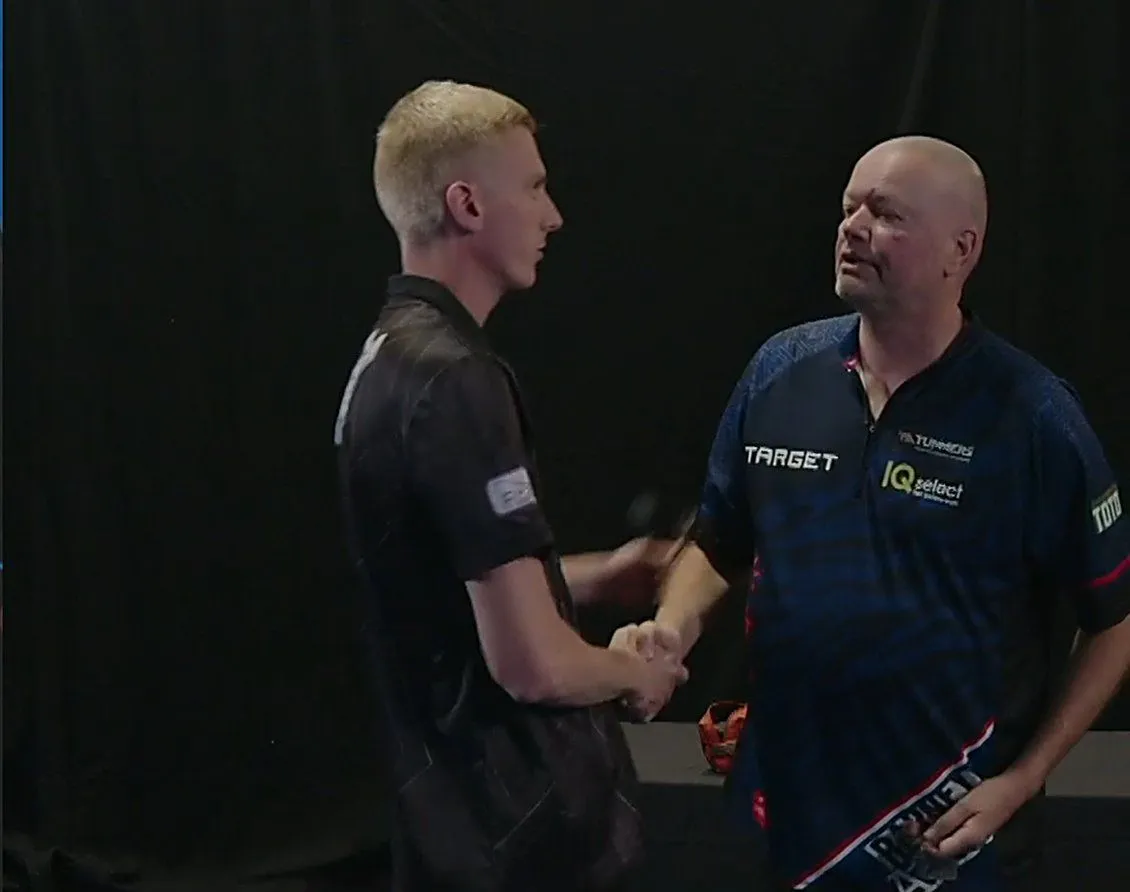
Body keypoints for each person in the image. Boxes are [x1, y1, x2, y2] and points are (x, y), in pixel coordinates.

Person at [611, 135, 1130, 890]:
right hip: (786, 818)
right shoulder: (779, 372)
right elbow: (719, 542)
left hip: (948, 833)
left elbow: (1114, 621)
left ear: (961, 249)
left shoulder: (1034, 417)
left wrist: (1023, 779)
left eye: (885, 214)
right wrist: (672, 627)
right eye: (850, 207)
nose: (853, 227)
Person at [333, 80, 688, 892]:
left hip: (450, 830)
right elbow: (533, 666)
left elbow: (441, 585)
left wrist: (598, 575)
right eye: (532, 186)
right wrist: (638, 672)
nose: (553, 214)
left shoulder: (383, 363)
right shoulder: (458, 381)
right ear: (466, 203)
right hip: (519, 844)